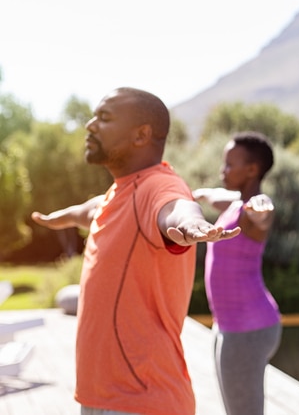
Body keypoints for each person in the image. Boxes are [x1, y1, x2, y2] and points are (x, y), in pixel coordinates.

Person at [31, 87, 240, 415]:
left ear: (142, 134)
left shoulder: (158, 186)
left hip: (143, 400)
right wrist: (61, 217)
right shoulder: (120, 191)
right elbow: (92, 209)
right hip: (100, 397)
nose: (90, 125)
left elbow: (177, 207)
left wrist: (191, 225)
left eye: (104, 118)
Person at [193, 131, 281, 415]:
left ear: (252, 170)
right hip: (230, 325)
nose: (223, 170)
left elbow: (262, 212)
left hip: (247, 329)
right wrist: (194, 195)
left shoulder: (251, 210)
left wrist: (260, 210)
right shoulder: (234, 204)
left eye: (230, 164)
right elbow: (214, 195)